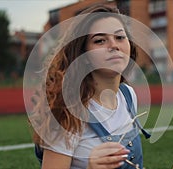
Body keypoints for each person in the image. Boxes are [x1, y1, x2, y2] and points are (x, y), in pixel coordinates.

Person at [30, 4, 150, 169]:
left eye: (120, 37)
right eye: (100, 40)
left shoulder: (128, 95)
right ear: (83, 55)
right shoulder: (68, 110)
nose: (114, 45)